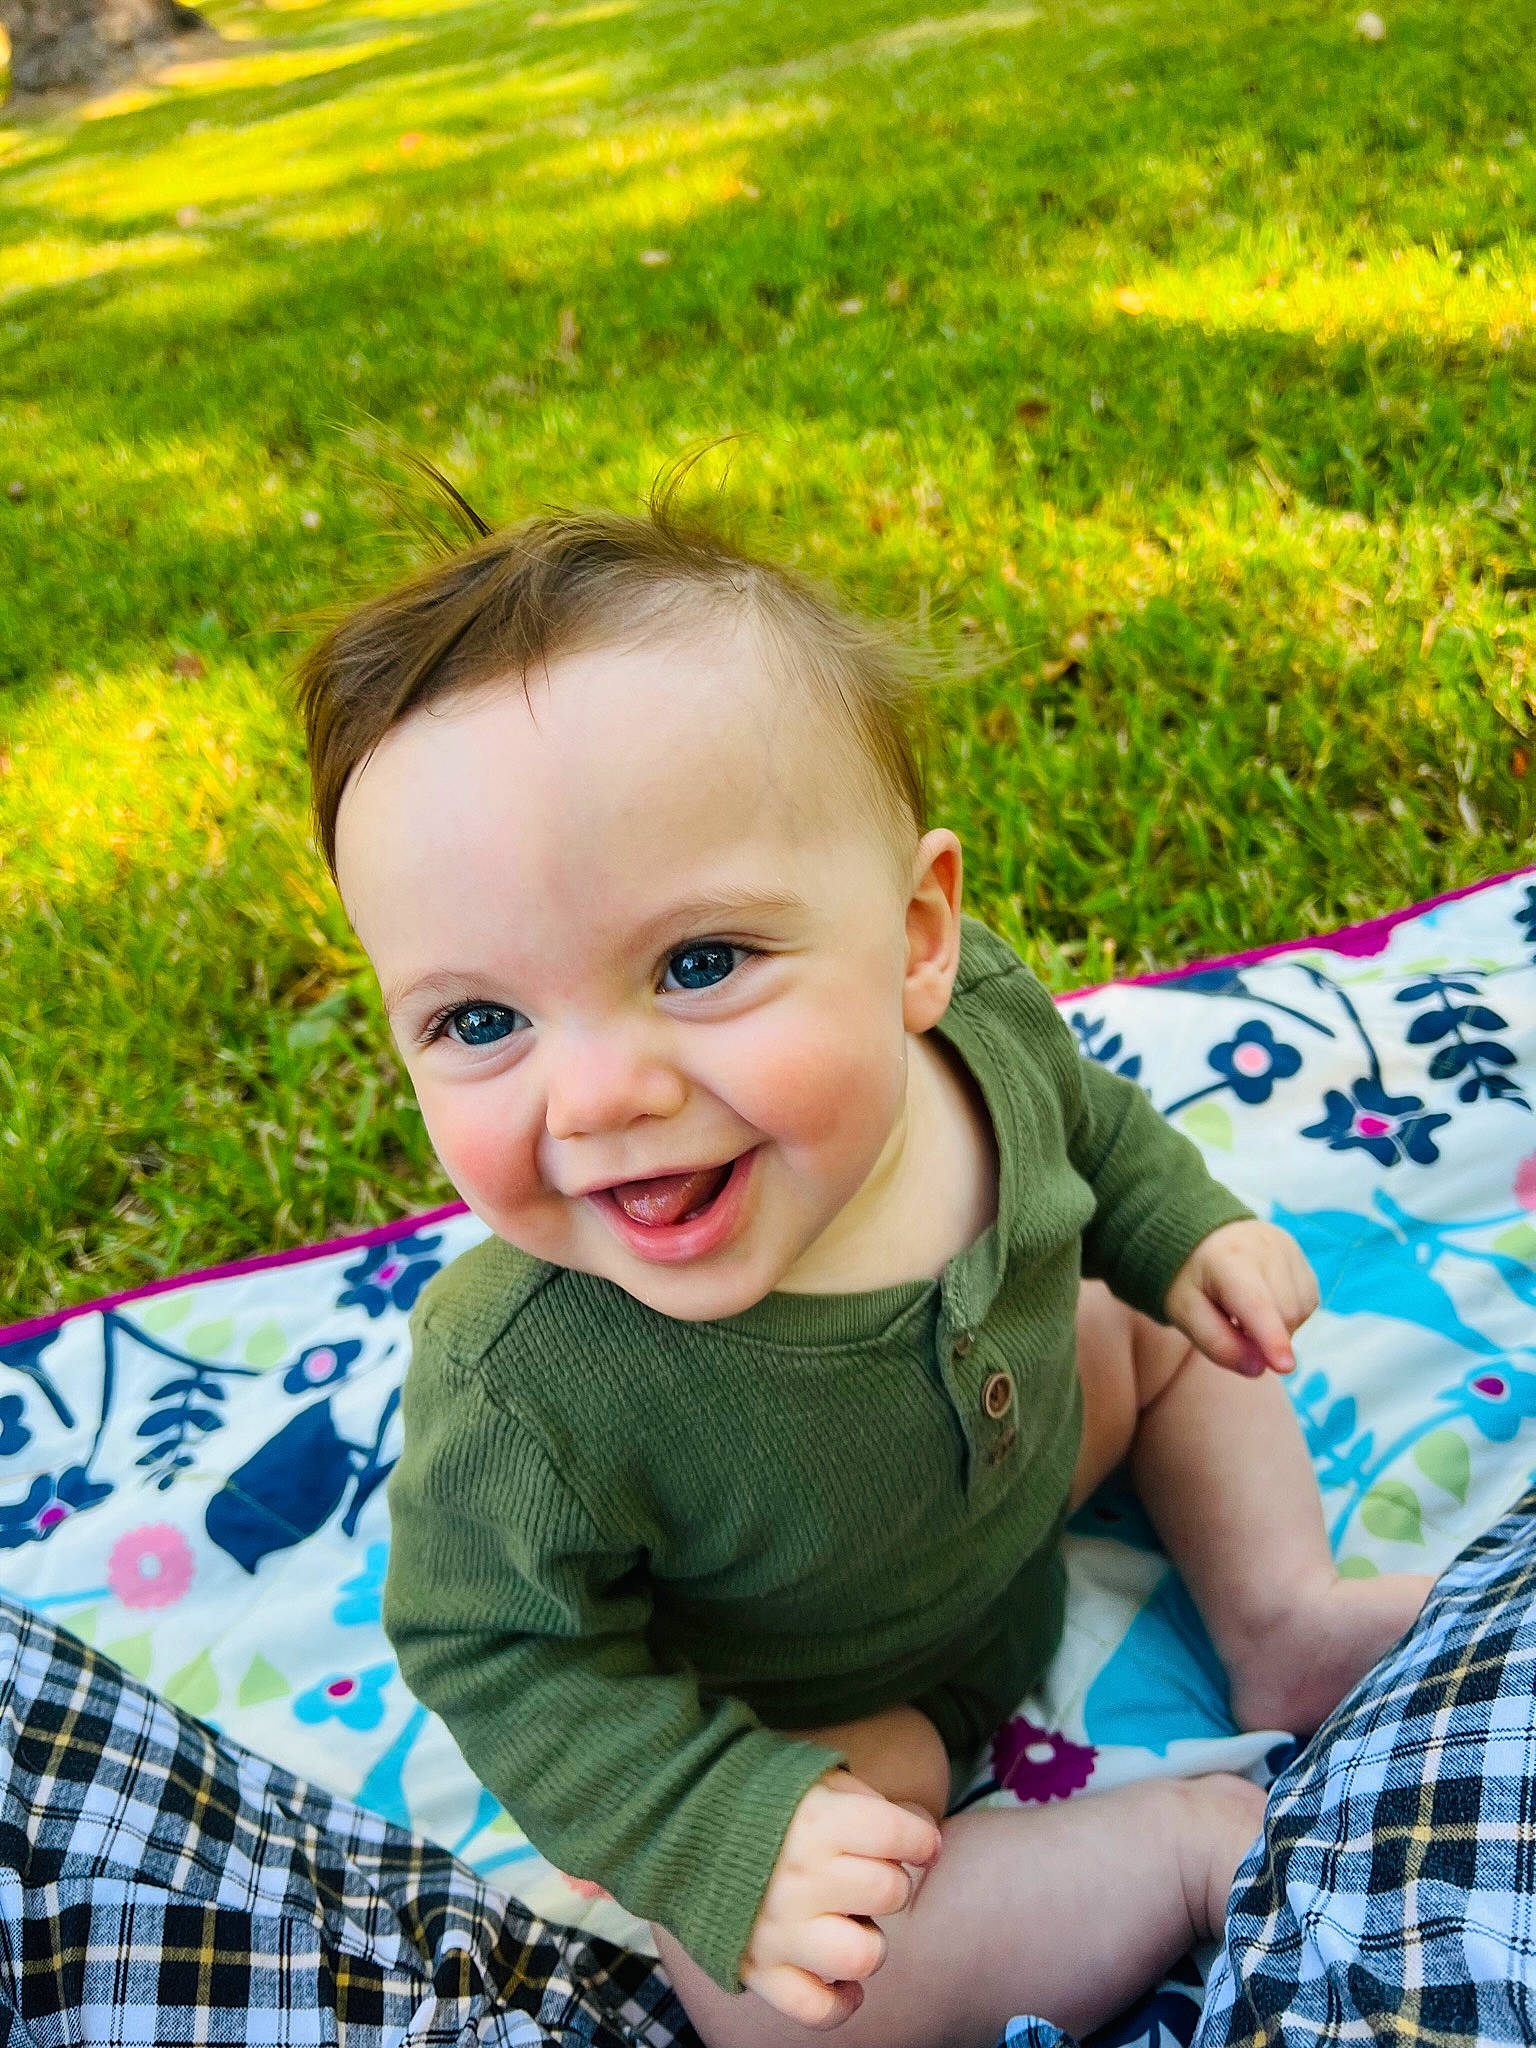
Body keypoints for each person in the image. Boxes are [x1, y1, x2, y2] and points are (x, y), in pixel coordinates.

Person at [295, 478, 1432, 2048]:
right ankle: (1181, 1857)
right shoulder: (527, 1377)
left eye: (699, 965)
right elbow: (495, 1650)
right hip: (823, 1717)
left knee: (1155, 1330)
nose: (599, 1095)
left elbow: (1093, 1132)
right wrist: (720, 1823)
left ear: (914, 939)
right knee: (765, 1997)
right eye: (480, 1021)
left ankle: (1282, 1615)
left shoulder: (981, 1036)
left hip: (1037, 1460)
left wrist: (1185, 1236)